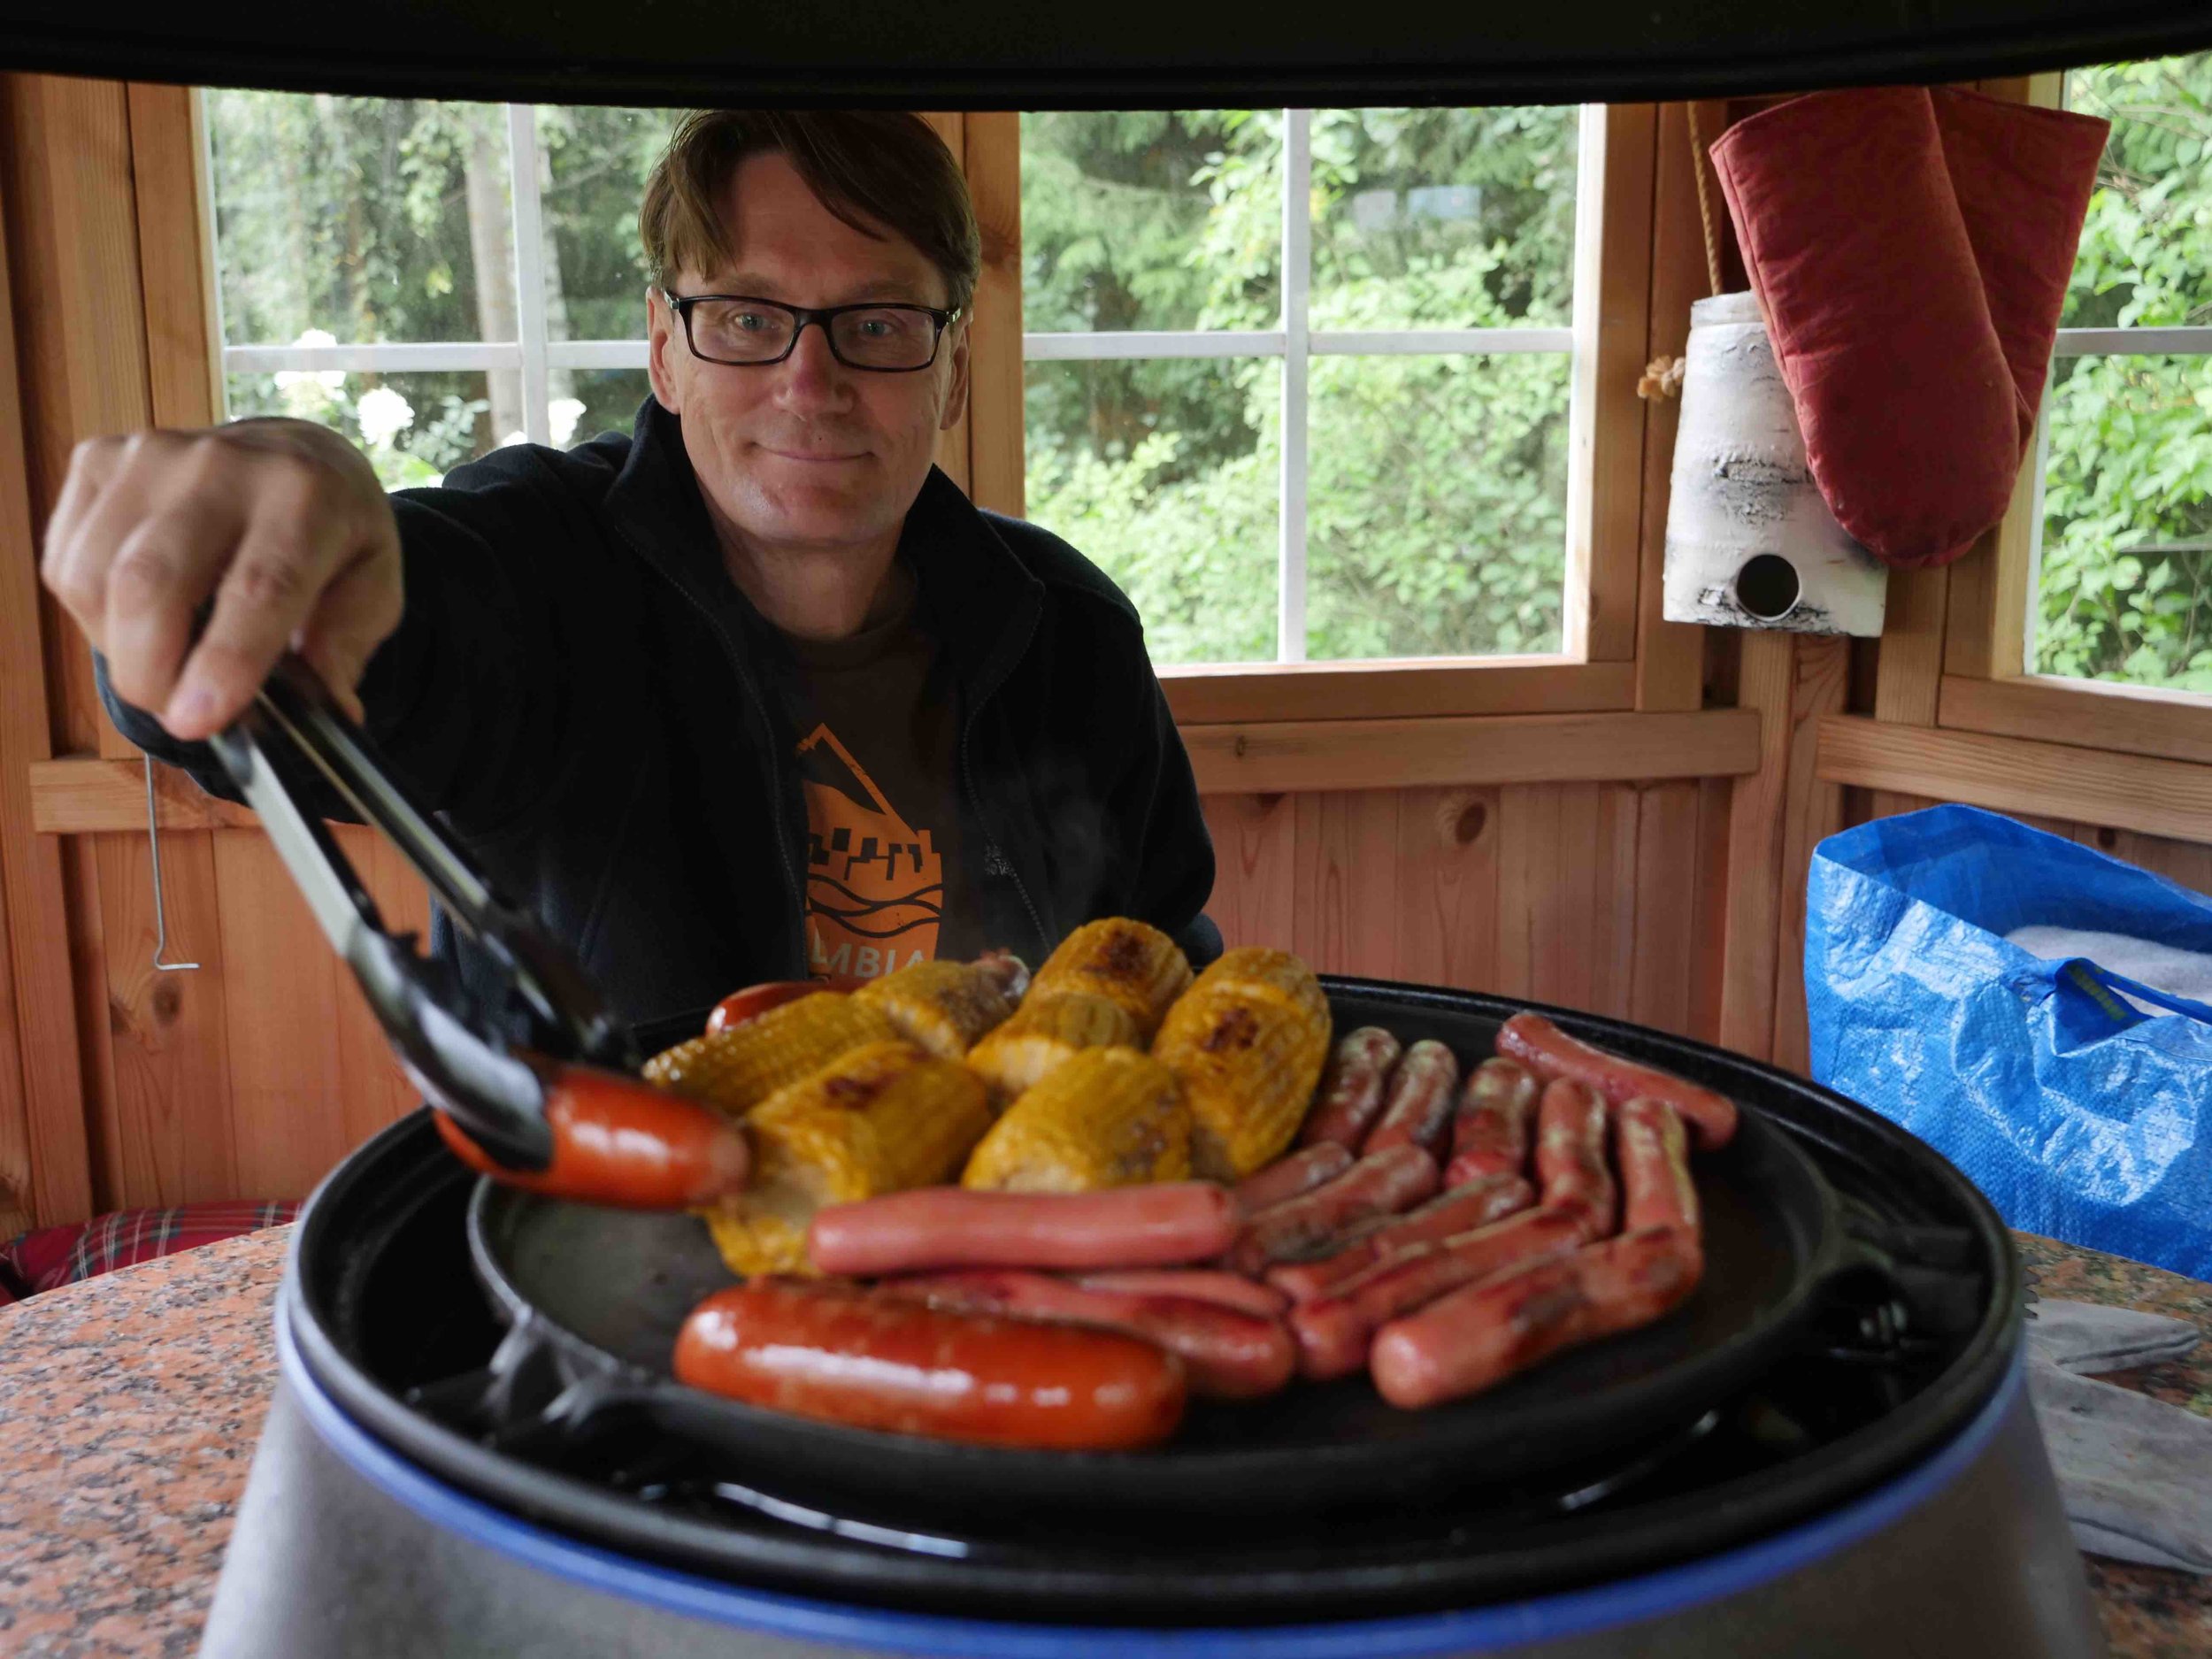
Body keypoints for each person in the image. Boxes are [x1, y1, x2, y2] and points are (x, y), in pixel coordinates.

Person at [38, 110, 1217, 1039]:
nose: (811, 383)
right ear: (664, 346)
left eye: (879, 323)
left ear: (952, 370)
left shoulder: (1069, 630)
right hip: (619, 1269)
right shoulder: (543, 568)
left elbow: (1163, 963)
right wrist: (229, 566)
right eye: (749, 319)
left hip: (1006, 1264)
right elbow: (378, 652)